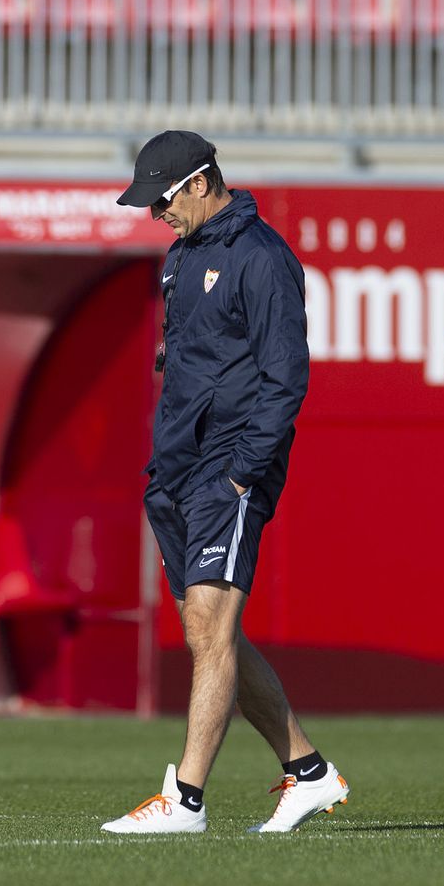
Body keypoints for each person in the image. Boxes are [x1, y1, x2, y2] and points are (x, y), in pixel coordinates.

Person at [101, 130, 348, 836]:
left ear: (201, 183)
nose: (157, 214)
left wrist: (242, 473)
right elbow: (194, 358)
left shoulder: (262, 257)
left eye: (163, 200)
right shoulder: (181, 256)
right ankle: (309, 772)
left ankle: (185, 800)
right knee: (211, 634)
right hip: (177, 466)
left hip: (229, 467)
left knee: (212, 629)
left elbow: (285, 378)